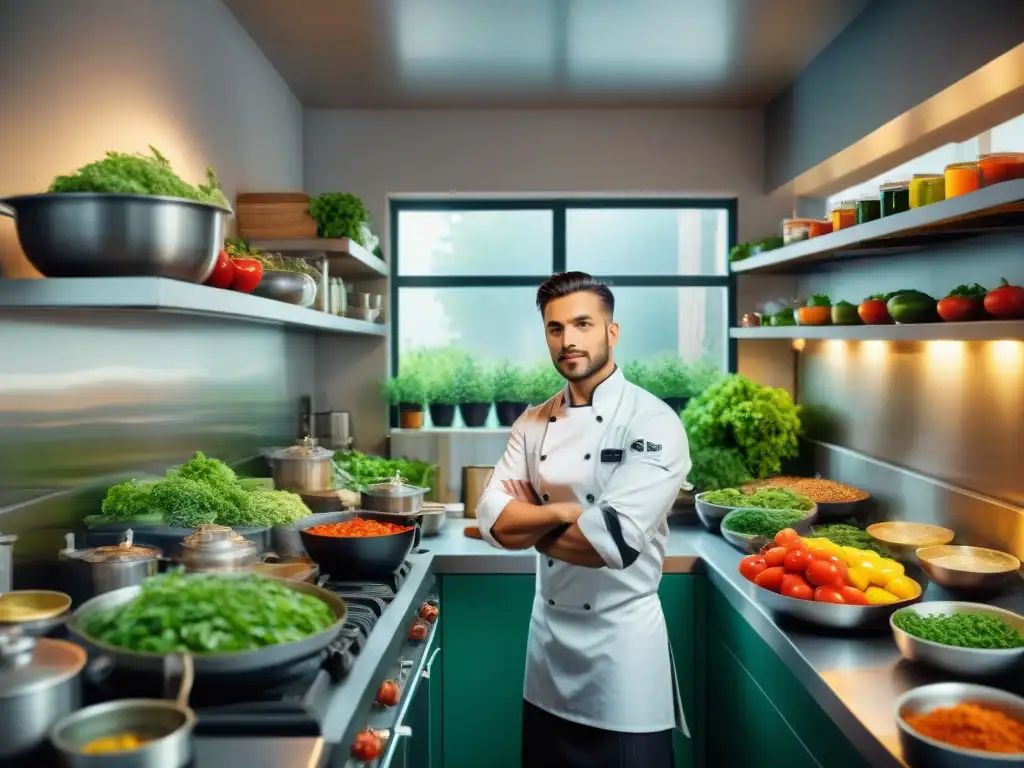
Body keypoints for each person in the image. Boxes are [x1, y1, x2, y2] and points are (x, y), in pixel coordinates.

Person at [476, 271, 692, 768]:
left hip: (624, 660)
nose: (568, 340)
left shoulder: (653, 422)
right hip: (547, 656)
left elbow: (605, 548)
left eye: (582, 324)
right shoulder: (532, 421)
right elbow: (494, 522)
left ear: (611, 333)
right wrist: (564, 512)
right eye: (555, 328)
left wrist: (527, 519)